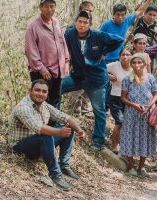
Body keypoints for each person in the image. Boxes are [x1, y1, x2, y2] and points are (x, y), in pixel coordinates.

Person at [61, 11, 124, 151]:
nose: (82, 25)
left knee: (99, 111)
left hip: (96, 79)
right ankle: (54, 123)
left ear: (90, 25)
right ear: (76, 22)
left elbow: (119, 40)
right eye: (80, 22)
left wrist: (104, 53)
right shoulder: (70, 34)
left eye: (85, 22)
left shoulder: (98, 35)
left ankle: (98, 142)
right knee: (56, 89)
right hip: (77, 76)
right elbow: (63, 47)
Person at [8, 79, 86, 191]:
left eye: (44, 91)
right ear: (30, 91)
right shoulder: (24, 107)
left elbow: (65, 117)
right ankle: (55, 175)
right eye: (37, 90)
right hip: (20, 147)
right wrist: (59, 132)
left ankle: (64, 165)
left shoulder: (44, 105)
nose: (40, 94)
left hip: (38, 142)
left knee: (69, 128)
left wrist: (80, 131)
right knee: (46, 136)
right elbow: (39, 128)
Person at [25, 0, 69, 109]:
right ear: (40, 8)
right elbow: (30, 50)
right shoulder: (33, 27)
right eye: (46, 6)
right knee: (41, 102)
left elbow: (63, 43)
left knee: (56, 100)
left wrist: (66, 62)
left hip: (58, 70)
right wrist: (42, 69)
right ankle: (40, 125)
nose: (49, 9)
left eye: (52, 6)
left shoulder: (56, 22)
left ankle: (54, 125)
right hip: (43, 73)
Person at [120, 53, 157, 177]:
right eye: (134, 63)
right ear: (131, 64)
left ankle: (141, 167)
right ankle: (132, 166)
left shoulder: (151, 78)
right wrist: (134, 105)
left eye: (139, 62)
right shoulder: (127, 79)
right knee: (129, 137)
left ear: (144, 64)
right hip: (131, 113)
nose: (137, 65)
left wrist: (149, 106)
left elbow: (156, 94)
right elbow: (123, 98)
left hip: (146, 114)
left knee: (144, 138)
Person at [107, 48, 133, 152]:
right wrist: (109, 76)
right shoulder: (115, 65)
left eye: (128, 54)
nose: (125, 57)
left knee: (126, 123)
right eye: (123, 54)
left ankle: (124, 146)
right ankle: (114, 147)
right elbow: (100, 68)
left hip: (129, 100)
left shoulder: (135, 67)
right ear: (119, 56)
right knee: (119, 121)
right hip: (115, 98)